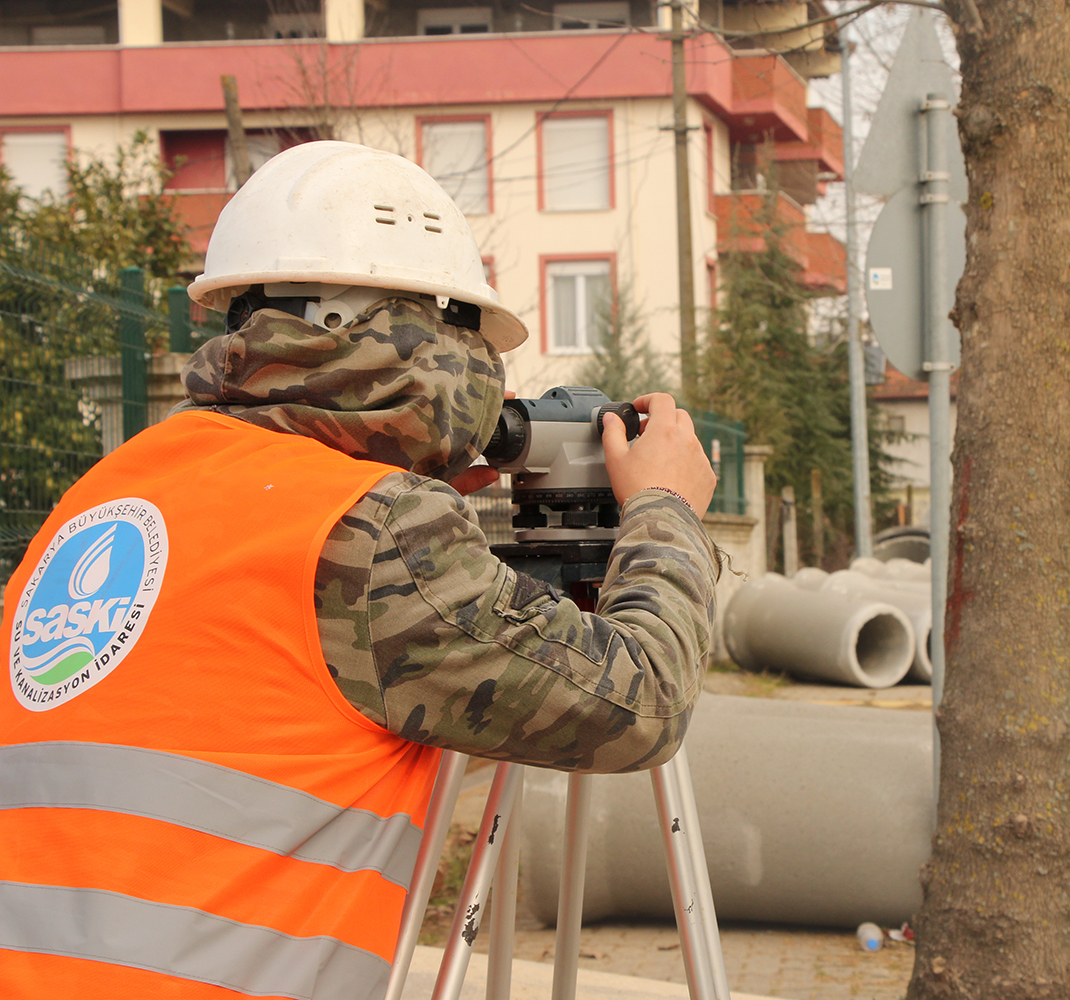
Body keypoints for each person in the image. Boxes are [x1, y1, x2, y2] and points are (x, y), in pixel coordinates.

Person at [0, 141, 719, 999]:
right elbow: (641, 704)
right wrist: (666, 510)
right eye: (462, 340)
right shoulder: (377, 534)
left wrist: (402, 476)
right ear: (394, 331)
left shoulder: (112, 489)